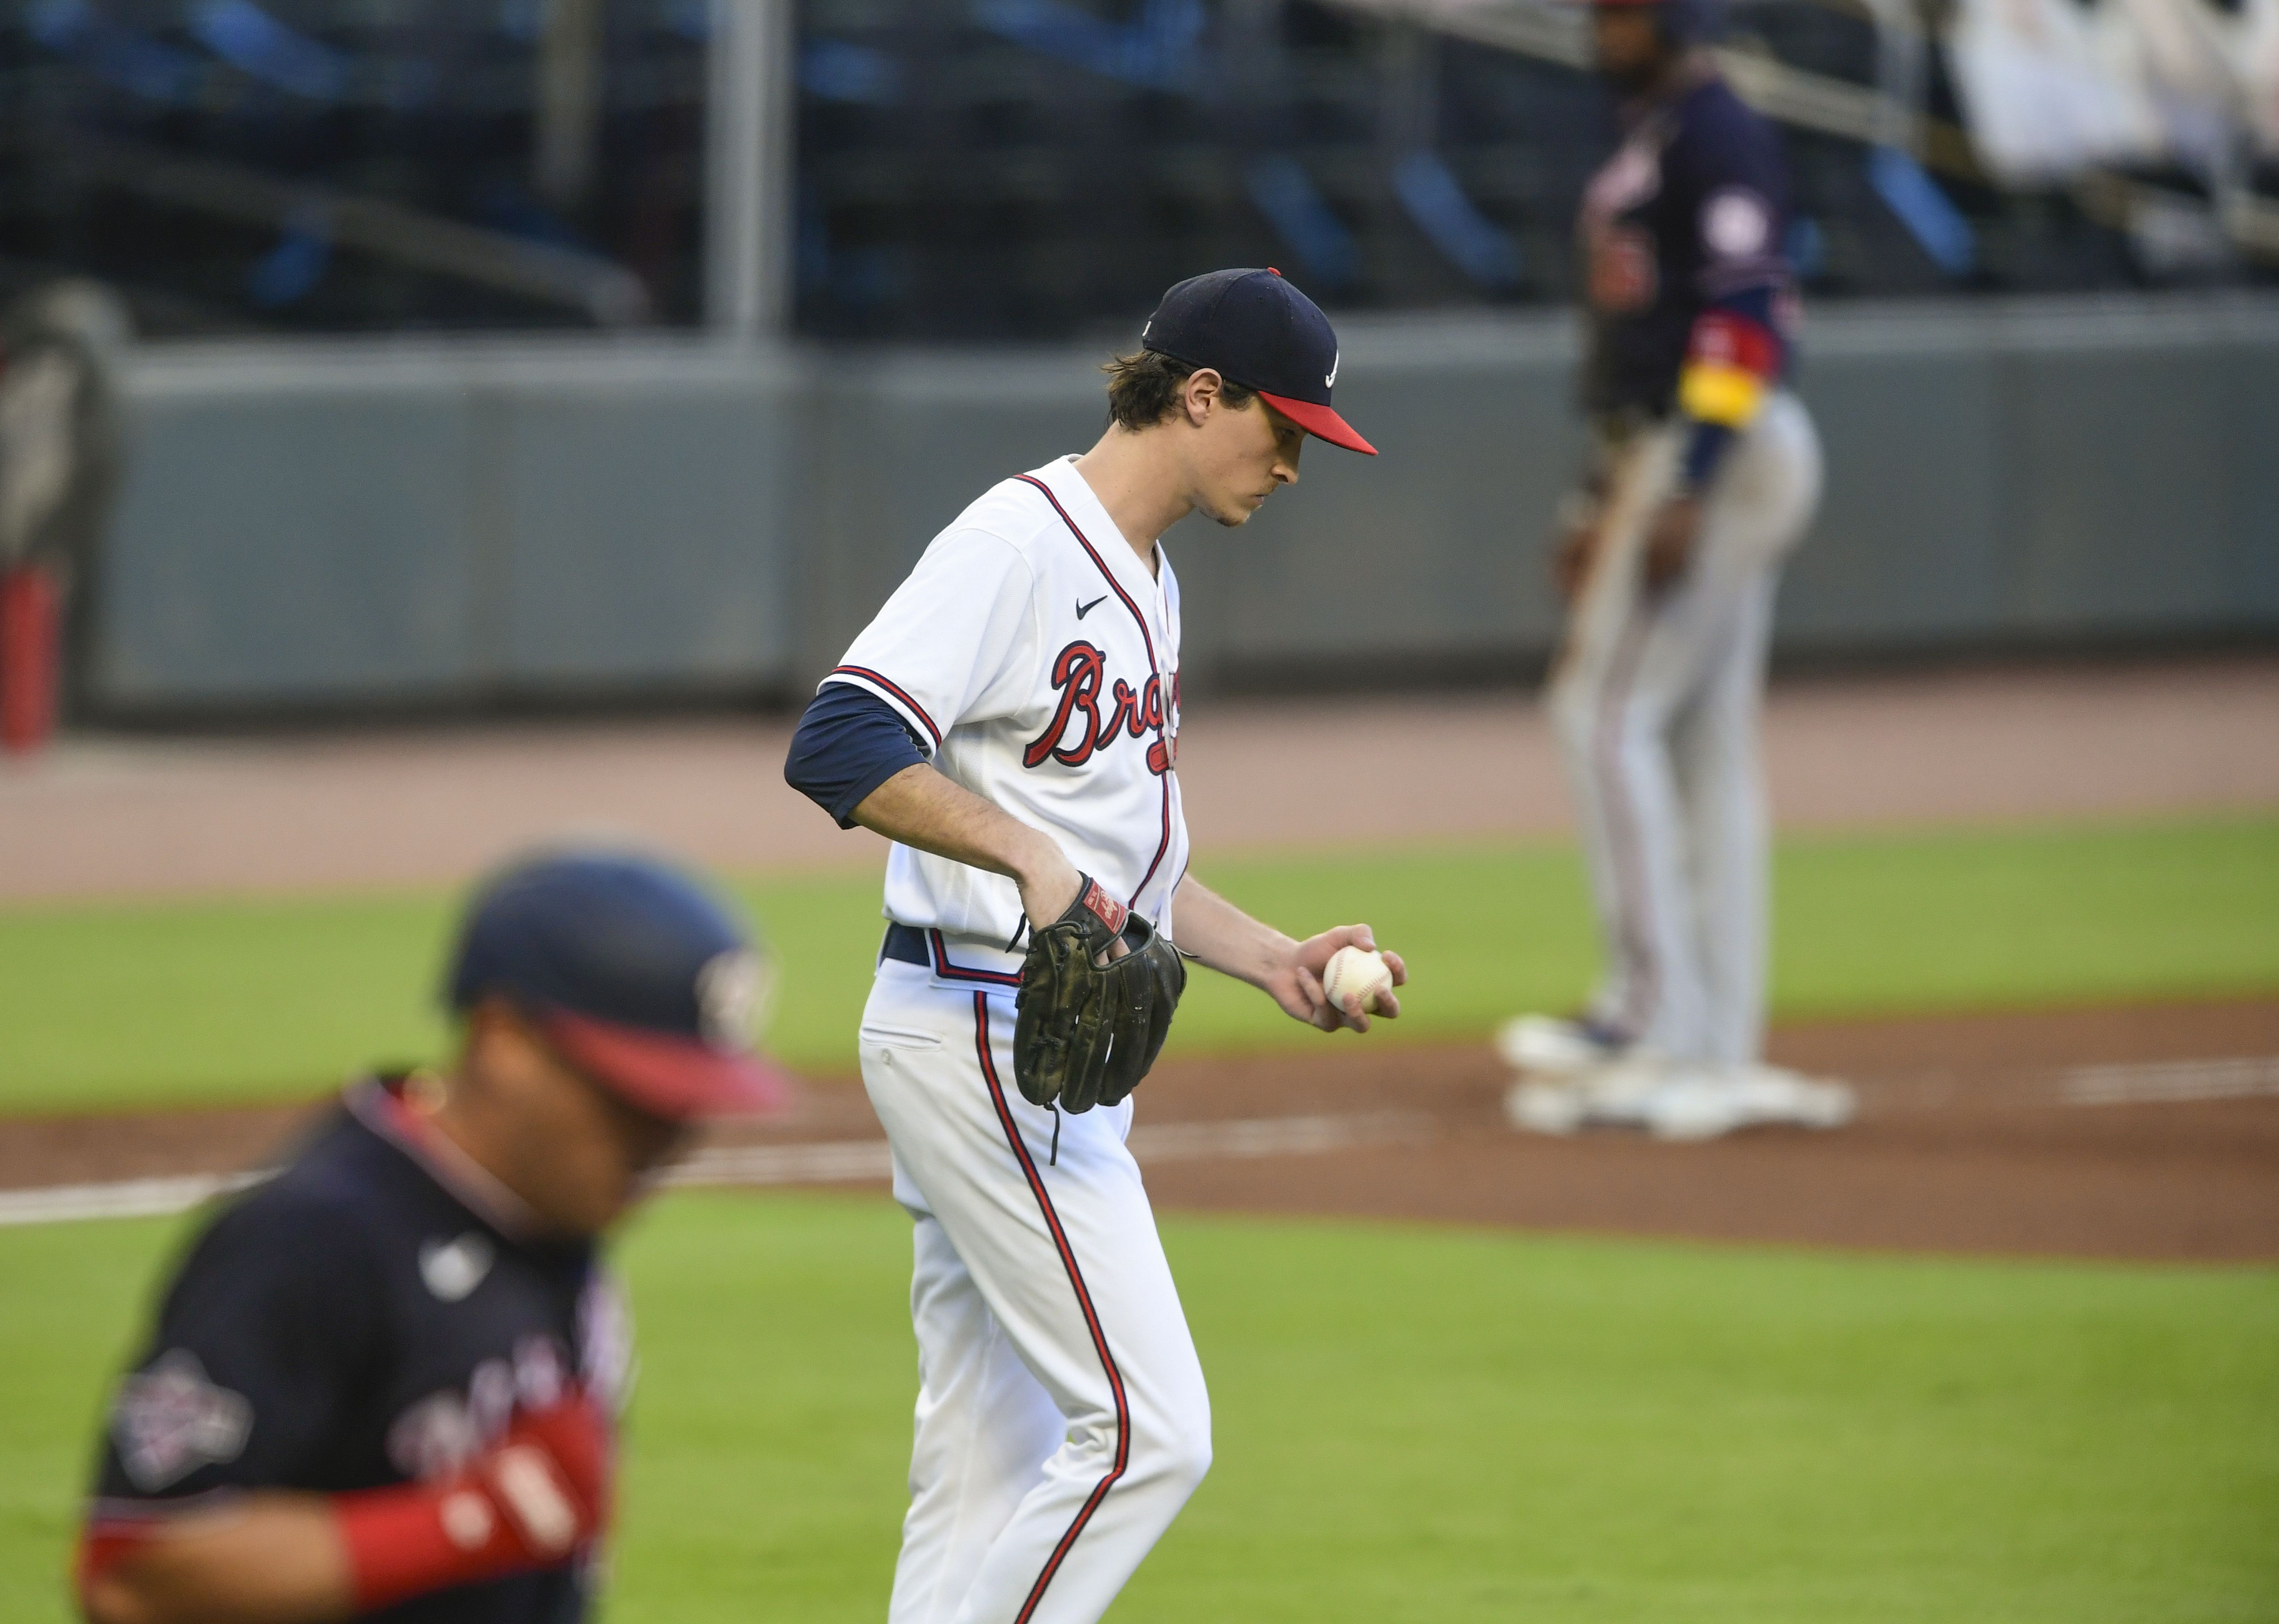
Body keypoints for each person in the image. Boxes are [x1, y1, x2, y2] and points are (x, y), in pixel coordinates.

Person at [783, 266, 1406, 1624]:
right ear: (1199, 394)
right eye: (1284, 427)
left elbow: (1119, 872)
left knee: (980, 1452)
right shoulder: (1015, 544)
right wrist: (1016, 848)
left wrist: (1273, 956)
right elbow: (836, 742)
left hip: (1021, 1042)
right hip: (977, 1031)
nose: (1296, 464)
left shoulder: (1148, 575)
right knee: (1146, 1431)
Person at [72, 848, 787, 1624]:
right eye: (631, 1102)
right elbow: (134, 1573)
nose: (662, 1147)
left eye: (684, 1110)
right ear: (504, 1037)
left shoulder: (554, 1225)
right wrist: (467, 1520)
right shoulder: (318, 1238)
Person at [1497, 0, 1853, 1141]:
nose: (1609, 21)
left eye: (1629, 6)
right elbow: (1639, 340)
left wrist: (1688, 477)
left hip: (1722, 448)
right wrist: (1598, 493)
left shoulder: (1715, 128)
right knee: (1698, 742)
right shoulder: (1653, 127)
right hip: (1666, 451)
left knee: (1601, 715)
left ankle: (1652, 1021)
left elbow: (1745, 316)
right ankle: (1712, 1045)